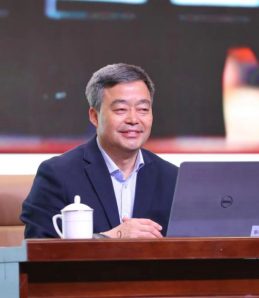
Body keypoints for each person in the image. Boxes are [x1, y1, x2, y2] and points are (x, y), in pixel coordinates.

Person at [21, 64, 179, 239]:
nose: (133, 119)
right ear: (94, 116)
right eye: (121, 109)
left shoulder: (173, 179)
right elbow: (37, 248)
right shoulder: (58, 174)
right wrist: (108, 238)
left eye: (143, 110)